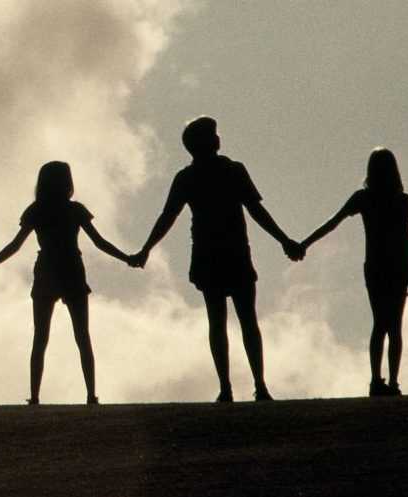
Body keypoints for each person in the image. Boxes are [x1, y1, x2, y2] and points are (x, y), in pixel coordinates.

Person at [129, 116, 301, 403]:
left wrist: (146, 248)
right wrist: (284, 240)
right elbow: (256, 211)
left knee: (218, 321)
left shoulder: (187, 177)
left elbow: (167, 217)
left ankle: (227, 388)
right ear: (211, 142)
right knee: (247, 320)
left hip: (209, 255)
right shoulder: (232, 170)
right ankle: (258, 385)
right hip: (233, 253)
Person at [0, 162, 134, 406]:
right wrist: (128, 258)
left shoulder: (36, 210)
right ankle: (90, 395)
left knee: (40, 337)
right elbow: (99, 242)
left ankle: (35, 396)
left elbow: (14, 246)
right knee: (82, 336)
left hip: (46, 268)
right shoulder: (75, 210)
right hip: (71, 268)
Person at [298, 148, 408, 397]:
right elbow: (406, 238)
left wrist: (304, 244)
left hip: (376, 266)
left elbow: (333, 222)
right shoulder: (401, 199)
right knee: (394, 326)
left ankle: (376, 380)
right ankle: (392, 382)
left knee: (380, 324)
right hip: (395, 266)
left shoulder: (364, 198)